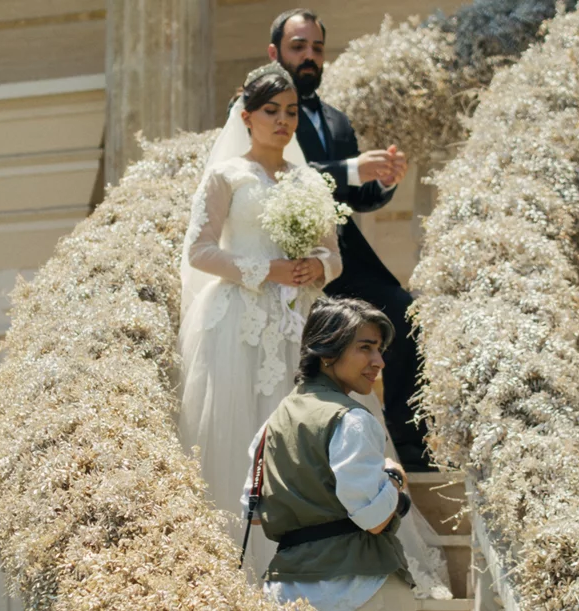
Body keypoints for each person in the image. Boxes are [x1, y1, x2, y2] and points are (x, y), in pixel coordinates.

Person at [177, 63, 341, 572]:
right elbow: (199, 253)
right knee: (239, 428)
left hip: (298, 321)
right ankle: (234, 562)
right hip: (237, 323)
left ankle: (313, 550)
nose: (283, 121)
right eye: (271, 111)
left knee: (302, 427)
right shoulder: (226, 175)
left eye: (291, 112)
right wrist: (264, 269)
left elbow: (335, 257)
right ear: (246, 116)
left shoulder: (311, 180)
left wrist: (318, 266)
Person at [267, 9, 431, 471]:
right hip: (284, 257)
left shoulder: (336, 122)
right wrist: (352, 168)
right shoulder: (261, 111)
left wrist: (382, 181)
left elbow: (357, 196)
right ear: (275, 52)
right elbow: (281, 172)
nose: (309, 57)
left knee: (404, 310)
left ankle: (410, 443)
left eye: (316, 48)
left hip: (343, 259)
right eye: (298, 47)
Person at [240, 297, 417, 611]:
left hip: (286, 592)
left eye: (379, 349)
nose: (379, 362)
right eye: (366, 347)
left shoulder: (274, 422)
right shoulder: (351, 419)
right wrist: (394, 477)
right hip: (359, 588)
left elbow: (253, 513)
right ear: (327, 353)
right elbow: (374, 519)